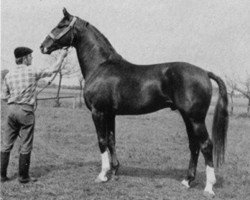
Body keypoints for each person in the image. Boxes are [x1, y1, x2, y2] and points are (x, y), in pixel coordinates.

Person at [1, 46, 68, 183]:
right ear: (25, 58)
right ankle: (23, 177)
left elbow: (3, 96)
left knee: (6, 144)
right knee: (25, 144)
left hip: (11, 110)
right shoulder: (32, 71)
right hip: (26, 112)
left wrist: (15, 100)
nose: (32, 58)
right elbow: (53, 70)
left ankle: (1, 176)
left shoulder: (8, 74)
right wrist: (62, 55)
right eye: (30, 56)